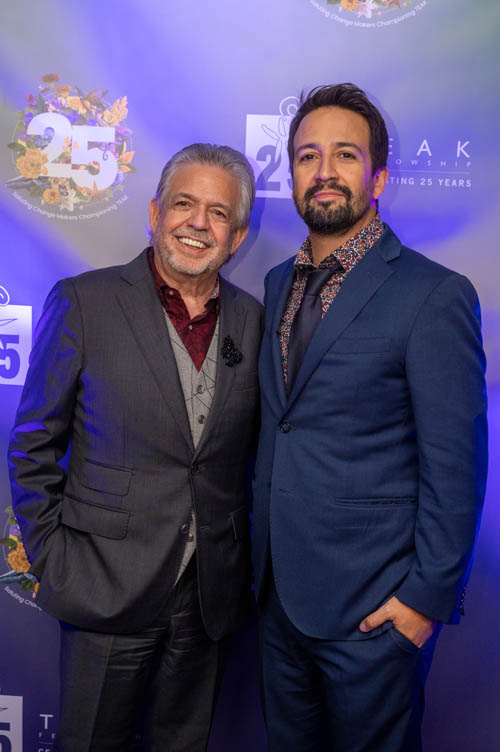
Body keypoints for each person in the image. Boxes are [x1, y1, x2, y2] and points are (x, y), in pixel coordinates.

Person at [252, 84, 487, 751]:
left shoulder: (432, 294)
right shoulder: (275, 285)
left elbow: (456, 464)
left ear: (378, 176)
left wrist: (423, 602)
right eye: (306, 156)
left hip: (373, 614)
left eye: (344, 155)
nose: (323, 171)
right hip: (275, 606)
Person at [8, 143, 263, 752]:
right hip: (104, 589)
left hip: (209, 600)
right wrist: (55, 560)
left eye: (218, 213)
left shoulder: (256, 322)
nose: (198, 223)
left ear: (238, 235)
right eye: (183, 204)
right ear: (154, 212)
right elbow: (32, 447)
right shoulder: (83, 303)